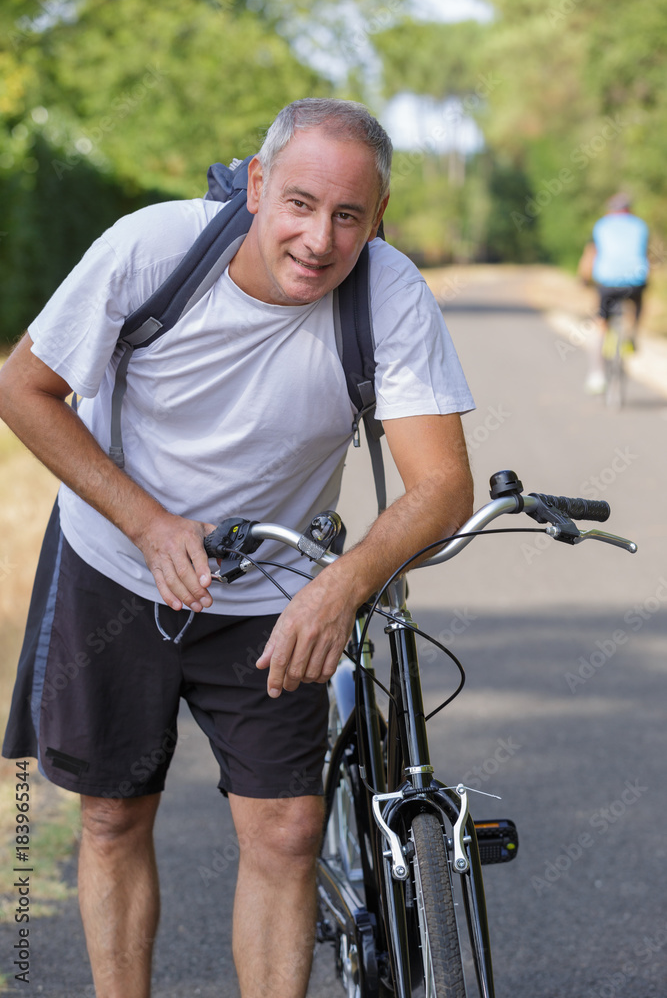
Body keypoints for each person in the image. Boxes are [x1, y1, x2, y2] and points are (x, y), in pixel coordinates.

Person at [0, 98, 474, 998]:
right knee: (108, 816)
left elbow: (441, 485)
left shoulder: (389, 293)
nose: (318, 239)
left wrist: (341, 587)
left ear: (378, 222)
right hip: (113, 569)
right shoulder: (151, 249)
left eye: (347, 216)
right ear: (257, 187)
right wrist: (147, 521)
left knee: (289, 832)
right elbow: (23, 388)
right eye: (299, 202)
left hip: (274, 591)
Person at [579, 192, 649, 394]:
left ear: (610, 210)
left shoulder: (601, 225)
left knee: (600, 323)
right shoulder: (640, 225)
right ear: (629, 209)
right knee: (639, 302)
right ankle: (633, 332)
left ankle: (596, 375)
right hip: (635, 281)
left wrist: (584, 280)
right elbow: (644, 255)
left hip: (607, 282)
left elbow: (590, 256)